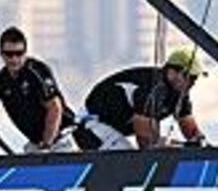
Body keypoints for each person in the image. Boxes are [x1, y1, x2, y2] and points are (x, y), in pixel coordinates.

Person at [78, 48, 208, 151]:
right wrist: (181, 146)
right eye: (189, 77)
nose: (192, 83)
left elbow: (192, 133)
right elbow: (148, 145)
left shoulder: (180, 92)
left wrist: (201, 143)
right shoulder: (151, 89)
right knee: (129, 161)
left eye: (195, 78)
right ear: (172, 72)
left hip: (114, 129)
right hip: (92, 123)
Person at [0, 27, 76, 153]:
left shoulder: (36, 71)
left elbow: (54, 107)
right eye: (9, 54)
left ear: (25, 53)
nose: (14, 59)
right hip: (36, 143)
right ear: (1, 55)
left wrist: (47, 144)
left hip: (60, 139)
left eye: (19, 53)